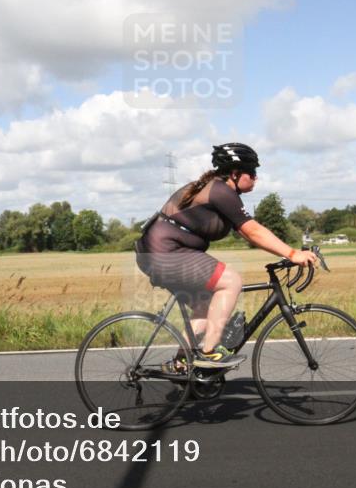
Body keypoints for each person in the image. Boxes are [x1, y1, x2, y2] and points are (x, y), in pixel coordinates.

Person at [135, 143, 317, 370]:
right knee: (231, 281)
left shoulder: (219, 190)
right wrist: (293, 253)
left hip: (160, 251)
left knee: (206, 304)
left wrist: (289, 252)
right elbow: (254, 231)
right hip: (165, 251)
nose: (256, 178)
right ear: (235, 173)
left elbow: (250, 233)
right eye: (252, 172)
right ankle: (208, 351)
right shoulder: (221, 191)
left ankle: (183, 362)